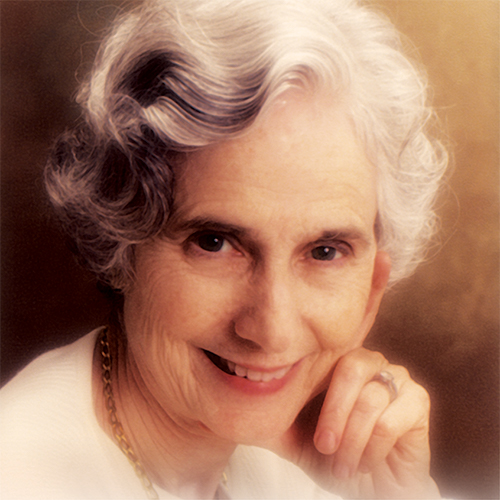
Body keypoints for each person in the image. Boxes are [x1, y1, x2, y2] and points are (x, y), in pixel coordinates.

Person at [0, 0, 448, 498]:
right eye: (214, 244)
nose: (271, 328)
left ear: (371, 291)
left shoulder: (309, 473)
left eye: (324, 252)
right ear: (121, 246)